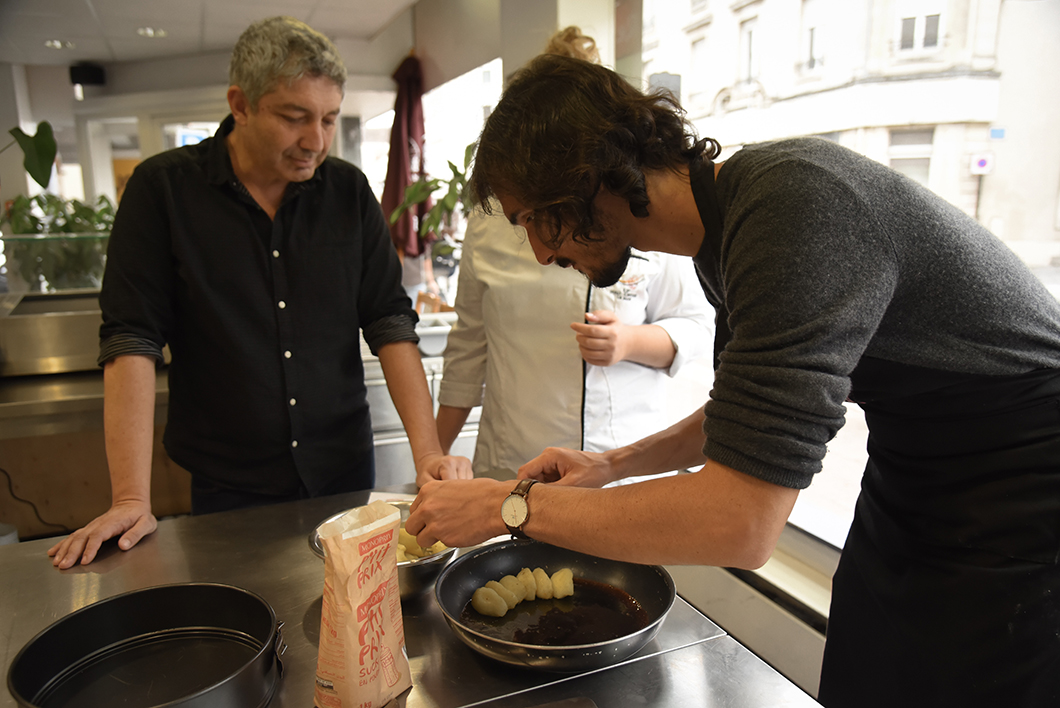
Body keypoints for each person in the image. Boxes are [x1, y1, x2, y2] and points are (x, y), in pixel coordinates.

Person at [406, 54, 1060, 707]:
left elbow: (741, 524)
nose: (542, 253)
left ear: (586, 174)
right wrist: (610, 465)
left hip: (1025, 492)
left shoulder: (793, 207)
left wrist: (507, 506)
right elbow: (750, 421)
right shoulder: (728, 229)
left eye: (532, 219)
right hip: (912, 480)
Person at [48, 16, 471, 570]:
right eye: (294, 118)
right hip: (228, 482)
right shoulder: (164, 190)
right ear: (240, 105)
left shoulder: (347, 192)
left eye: (328, 118)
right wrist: (130, 498)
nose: (315, 141)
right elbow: (131, 338)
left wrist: (428, 453)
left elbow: (390, 320)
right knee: (240, 607)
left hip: (343, 468)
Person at [435, 27, 714, 479]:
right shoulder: (489, 222)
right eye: (525, 220)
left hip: (622, 460)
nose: (543, 251)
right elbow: (468, 346)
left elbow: (697, 325)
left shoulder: (639, 215)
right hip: (512, 461)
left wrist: (631, 342)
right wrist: (431, 455)